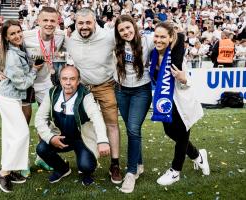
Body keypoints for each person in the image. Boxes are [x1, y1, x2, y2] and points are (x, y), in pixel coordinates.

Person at [65, 8, 122, 184]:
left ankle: (115, 164)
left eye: (88, 22)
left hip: (105, 85)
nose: (84, 27)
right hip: (82, 88)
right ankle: (87, 159)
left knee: (111, 123)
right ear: (75, 23)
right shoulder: (69, 38)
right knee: (83, 124)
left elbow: (133, 41)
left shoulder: (109, 36)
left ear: (95, 22)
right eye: (80, 23)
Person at [149, 22, 210, 186]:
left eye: (163, 37)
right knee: (170, 132)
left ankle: (175, 171)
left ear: (170, 38)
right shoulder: (153, 54)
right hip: (165, 103)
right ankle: (198, 156)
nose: (159, 40)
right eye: (156, 36)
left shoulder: (176, 55)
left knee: (182, 136)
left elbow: (185, 81)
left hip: (182, 102)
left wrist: (184, 79)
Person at [35, 65, 110, 186]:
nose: (68, 82)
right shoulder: (53, 93)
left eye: (72, 79)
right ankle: (62, 169)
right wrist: (50, 138)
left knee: (86, 166)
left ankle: (86, 171)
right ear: (60, 80)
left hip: (82, 139)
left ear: (78, 81)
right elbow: (39, 118)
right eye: (64, 78)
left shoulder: (86, 95)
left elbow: (97, 117)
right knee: (41, 149)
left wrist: (102, 140)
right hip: (61, 138)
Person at [0, 20, 42, 193]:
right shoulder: (13, 55)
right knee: (21, 133)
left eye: (19, 31)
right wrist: (35, 70)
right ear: (6, 38)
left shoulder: (18, 48)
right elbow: (22, 84)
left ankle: (11, 169)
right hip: (9, 98)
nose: (17, 35)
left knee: (11, 135)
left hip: (11, 97)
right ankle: (3, 172)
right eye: (12, 34)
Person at [22, 6, 66, 174]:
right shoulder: (26, 36)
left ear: (57, 22)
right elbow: (7, 45)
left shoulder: (61, 36)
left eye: (52, 20)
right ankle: (22, 161)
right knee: (23, 123)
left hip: (44, 82)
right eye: (45, 20)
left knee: (45, 121)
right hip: (25, 83)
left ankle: (42, 158)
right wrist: (2, 70)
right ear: (38, 21)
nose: (49, 24)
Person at [114, 15, 153, 193]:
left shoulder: (148, 40)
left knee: (133, 128)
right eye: (121, 30)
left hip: (141, 90)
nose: (126, 32)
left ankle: (130, 173)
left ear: (135, 27)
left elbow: (175, 36)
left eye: (128, 28)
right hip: (121, 90)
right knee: (131, 129)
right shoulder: (114, 44)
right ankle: (138, 164)